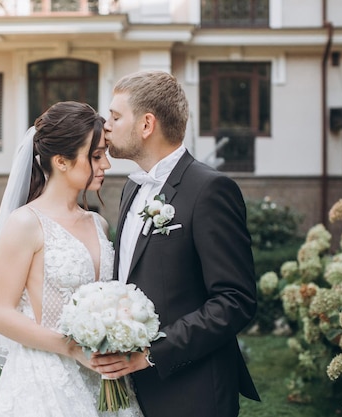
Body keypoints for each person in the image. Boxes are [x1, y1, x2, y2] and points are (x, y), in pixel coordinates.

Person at [91, 70, 261, 417]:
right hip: (135, 390)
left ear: (147, 124)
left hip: (193, 391)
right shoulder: (131, 188)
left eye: (116, 116)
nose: (106, 125)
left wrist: (153, 352)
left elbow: (235, 300)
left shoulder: (210, 190)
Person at [0, 101, 144, 417]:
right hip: (45, 379)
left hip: (104, 377)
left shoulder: (98, 223)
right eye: (96, 156)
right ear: (61, 161)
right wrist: (71, 347)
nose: (106, 165)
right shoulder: (25, 224)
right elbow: (0, 314)